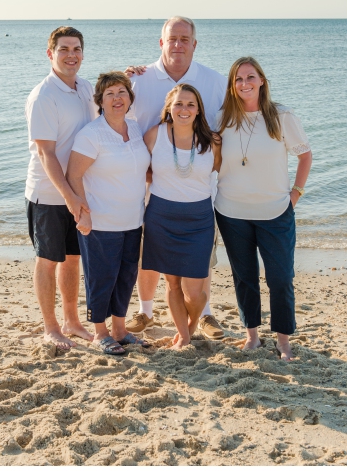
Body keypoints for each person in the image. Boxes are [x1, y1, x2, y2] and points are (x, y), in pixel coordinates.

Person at [124, 16, 228, 340]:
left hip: (196, 187)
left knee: (198, 266)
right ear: (161, 43)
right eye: (172, 39)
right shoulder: (139, 80)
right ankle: (144, 310)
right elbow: (115, 117)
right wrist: (122, 75)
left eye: (185, 39)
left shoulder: (214, 81)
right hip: (150, 186)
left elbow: (227, 131)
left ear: (194, 44)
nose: (178, 45)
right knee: (150, 256)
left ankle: (205, 315)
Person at [214, 57, 312, 361]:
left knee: (280, 278)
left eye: (250, 77)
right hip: (231, 212)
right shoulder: (222, 118)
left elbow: (305, 155)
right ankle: (252, 336)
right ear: (232, 85)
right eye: (239, 79)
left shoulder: (281, 116)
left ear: (261, 81)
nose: (245, 83)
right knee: (244, 276)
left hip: (275, 212)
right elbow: (212, 163)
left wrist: (295, 194)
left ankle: (283, 341)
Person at [65, 72, 151, 355]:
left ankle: (120, 330)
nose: (117, 98)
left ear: (130, 98)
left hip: (133, 220)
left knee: (126, 277)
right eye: (110, 93)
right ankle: (100, 333)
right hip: (101, 222)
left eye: (122, 92)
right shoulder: (92, 134)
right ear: (100, 100)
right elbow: (73, 176)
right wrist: (83, 214)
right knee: (102, 278)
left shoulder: (136, 128)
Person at [25, 26, 98, 350]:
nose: (71, 55)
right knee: (48, 259)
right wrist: (69, 197)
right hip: (49, 194)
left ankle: (72, 320)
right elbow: (46, 152)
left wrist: (132, 75)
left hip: (78, 192)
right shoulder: (44, 95)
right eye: (64, 49)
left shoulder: (85, 88)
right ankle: (51, 326)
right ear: (50, 53)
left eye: (77, 49)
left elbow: (114, 103)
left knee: (72, 259)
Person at [142, 84, 221, 349]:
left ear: (198, 110)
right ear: (169, 108)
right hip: (161, 216)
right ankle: (184, 336)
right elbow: (139, 169)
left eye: (190, 104)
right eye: (178, 104)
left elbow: (221, 172)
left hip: (199, 219)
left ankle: (191, 324)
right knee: (173, 284)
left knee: (195, 292)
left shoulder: (213, 141)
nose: (184, 109)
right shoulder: (154, 135)